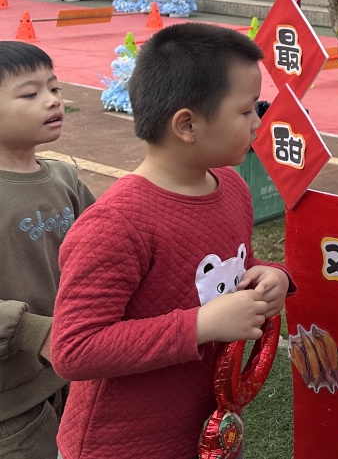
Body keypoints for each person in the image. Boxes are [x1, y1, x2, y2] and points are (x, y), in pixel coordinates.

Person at [50, 25, 291, 459]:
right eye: (245, 111)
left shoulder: (232, 187)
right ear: (187, 124)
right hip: (121, 444)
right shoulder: (116, 223)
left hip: (205, 430)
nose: (258, 121)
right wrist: (201, 325)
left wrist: (270, 276)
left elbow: (237, 262)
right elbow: (74, 349)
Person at [0, 43, 95, 459]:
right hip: (11, 402)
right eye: (30, 93)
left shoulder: (64, 177)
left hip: (74, 374)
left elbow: (104, 246)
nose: (52, 99)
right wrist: (33, 332)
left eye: (54, 88)